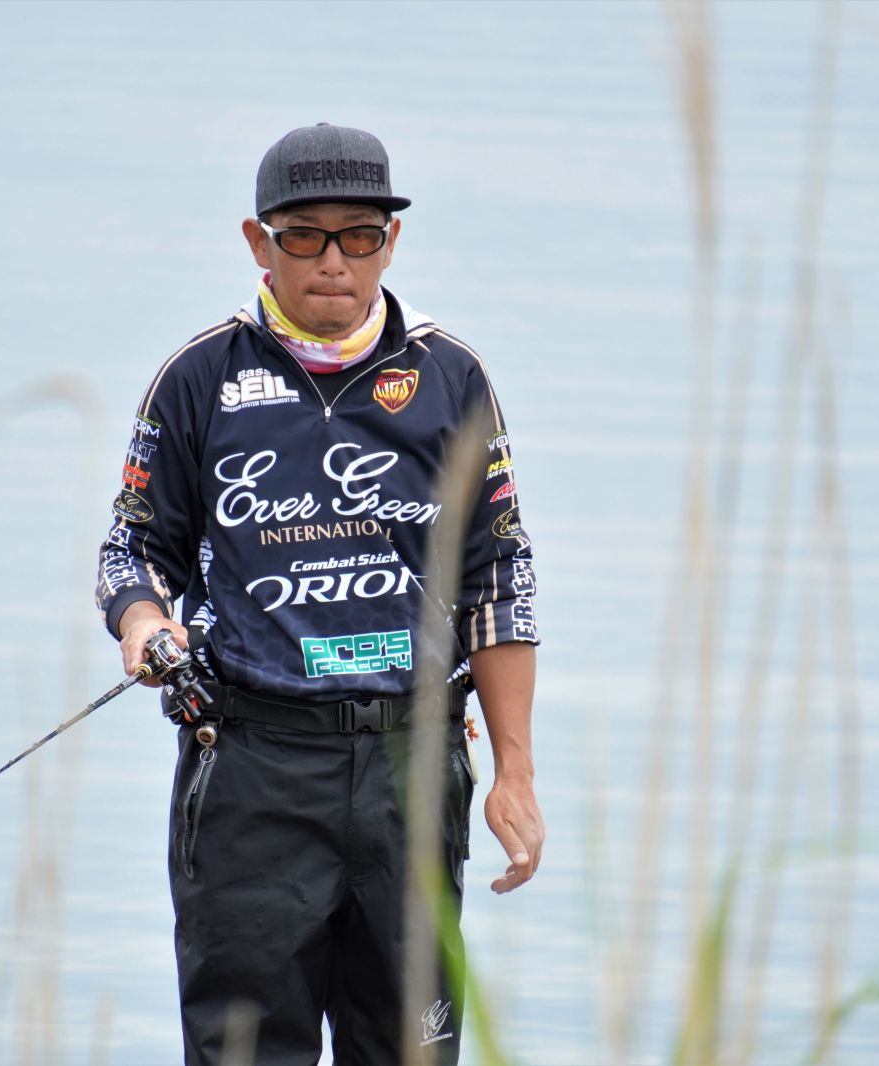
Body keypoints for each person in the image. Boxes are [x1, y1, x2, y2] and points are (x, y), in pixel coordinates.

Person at [95, 122, 542, 1065]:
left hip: (412, 769)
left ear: (392, 241)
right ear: (258, 242)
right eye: (304, 235)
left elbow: (498, 577)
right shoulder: (199, 378)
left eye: (359, 234)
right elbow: (133, 549)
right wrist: (143, 623)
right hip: (251, 766)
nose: (333, 260)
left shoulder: (451, 378)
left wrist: (515, 772)